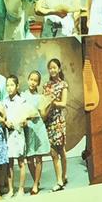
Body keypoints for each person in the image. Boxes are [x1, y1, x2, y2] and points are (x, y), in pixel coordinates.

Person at [42, 56, 69, 192]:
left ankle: (62, 178)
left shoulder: (63, 84)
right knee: (53, 152)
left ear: (58, 69)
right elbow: (43, 102)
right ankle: (60, 179)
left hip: (58, 120)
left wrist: (53, 102)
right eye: (50, 68)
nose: (52, 70)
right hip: (48, 120)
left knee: (61, 150)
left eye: (54, 67)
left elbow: (63, 104)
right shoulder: (46, 85)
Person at [21, 69, 48, 195]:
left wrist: (47, 105)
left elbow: (43, 115)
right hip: (27, 128)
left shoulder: (40, 97)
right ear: (28, 80)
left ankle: (36, 184)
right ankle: (35, 180)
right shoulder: (22, 96)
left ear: (38, 83)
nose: (32, 82)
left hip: (37, 127)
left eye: (35, 81)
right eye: (31, 79)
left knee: (38, 157)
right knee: (29, 158)